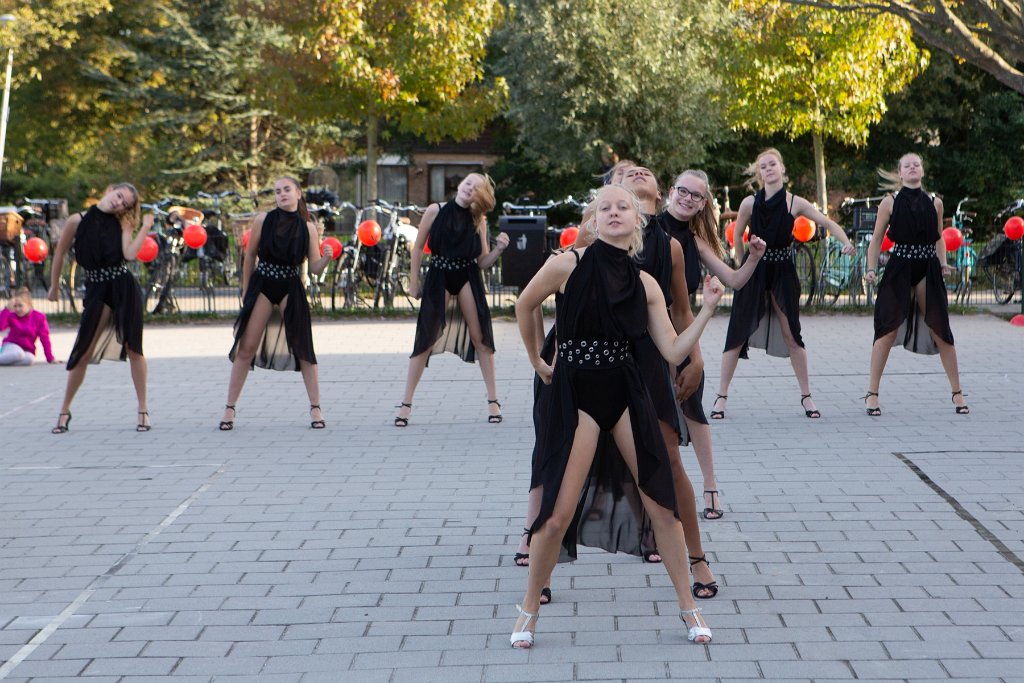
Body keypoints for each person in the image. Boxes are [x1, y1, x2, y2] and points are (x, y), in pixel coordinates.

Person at [511, 183, 725, 649]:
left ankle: (689, 607)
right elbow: (523, 305)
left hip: (626, 390)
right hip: (575, 393)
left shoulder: (645, 283)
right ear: (592, 220)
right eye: (603, 207)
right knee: (557, 513)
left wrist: (707, 310)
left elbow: (671, 348)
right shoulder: (566, 264)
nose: (613, 212)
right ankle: (528, 609)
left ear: (637, 221)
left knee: (661, 505)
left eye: (622, 207)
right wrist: (536, 359)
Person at [714, 149, 854, 420]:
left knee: (792, 333)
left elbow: (826, 222)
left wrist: (846, 242)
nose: (768, 168)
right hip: (755, 269)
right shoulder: (748, 204)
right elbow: (738, 237)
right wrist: (744, 266)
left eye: (772, 164)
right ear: (759, 173)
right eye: (763, 166)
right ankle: (721, 397)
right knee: (737, 333)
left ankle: (807, 396)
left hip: (783, 271)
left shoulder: (794, 202)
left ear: (781, 169)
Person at [660, 169, 766, 519]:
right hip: (642, 334)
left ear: (704, 203)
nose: (687, 198)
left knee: (693, 409)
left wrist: (752, 256)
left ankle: (710, 486)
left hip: (681, 330)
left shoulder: (694, 240)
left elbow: (734, 279)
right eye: (682, 191)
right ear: (670, 191)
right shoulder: (645, 228)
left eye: (695, 195)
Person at [219, 176, 334, 430]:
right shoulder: (263, 220)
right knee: (246, 347)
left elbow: (314, 267)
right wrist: (246, 290)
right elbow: (249, 256)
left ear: (298, 193)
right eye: (278, 191)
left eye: (287, 190)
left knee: (304, 347)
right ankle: (229, 408)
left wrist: (326, 259)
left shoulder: (308, 228)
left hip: (291, 286)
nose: (282, 194)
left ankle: (316, 408)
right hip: (264, 283)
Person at [394, 173, 509, 426]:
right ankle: (406, 403)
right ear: (459, 185)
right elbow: (418, 248)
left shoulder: (479, 219)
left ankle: (493, 400)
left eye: (477, 187)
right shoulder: (435, 210)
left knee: (481, 338)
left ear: (481, 196)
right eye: (468, 182)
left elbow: (482, 262)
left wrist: (499, 249)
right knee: (425, 337)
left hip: (468, 274)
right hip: (439, 274)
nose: (470, 188)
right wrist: (413, 281)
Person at [863, 153, 968, 415]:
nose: (912, 168)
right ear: (899, 173)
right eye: (907, 165)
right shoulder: (890, 202)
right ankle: (872, 394)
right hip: (899, 267)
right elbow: (876, 239)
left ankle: (957, 393)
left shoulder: (935, 203)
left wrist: (943, 263)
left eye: (916, 164)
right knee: (886, 329)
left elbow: (939, 238)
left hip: (927, 267)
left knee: (941, 329)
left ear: (922, 170)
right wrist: (871, 269)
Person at [47, 183, 152, 433]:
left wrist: (145, 227)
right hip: (96, 288)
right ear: (110, 190)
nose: (119, 203)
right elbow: (60, 253)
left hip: (122, 286)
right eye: (118, 196)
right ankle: (64, 410)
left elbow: (129, 254)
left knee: (134, 349)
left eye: (125, 203)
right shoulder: (77, 220)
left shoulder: (123, 222)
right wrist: (53, 287)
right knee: (83, 350)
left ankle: (143, 409)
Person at [0, 288, 57, 366]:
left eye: (20, 306)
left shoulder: (39, 317)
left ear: (29, 304)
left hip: (26, 350)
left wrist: (50, 358)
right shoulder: (12, 315)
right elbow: (1, 327)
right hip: (10, 346)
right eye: (15, 306)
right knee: (18, 353)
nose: (17, 309)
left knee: (30, 359)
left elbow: (45, 338)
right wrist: (7, 309)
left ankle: (5, 361)